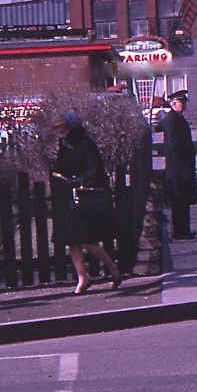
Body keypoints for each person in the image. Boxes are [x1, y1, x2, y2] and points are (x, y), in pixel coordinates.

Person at [50, 112, 123, 295]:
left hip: (84, 196)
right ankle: (82, 277)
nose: (61, 133)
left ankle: (113, 267)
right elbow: (61, 166)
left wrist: (82, 181)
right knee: (72, 240)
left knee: (86, 239)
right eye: (58, 130)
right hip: (68, 197)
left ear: (71, 128)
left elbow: (95, 168)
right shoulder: (64, 145)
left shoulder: (85, 144)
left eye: (63, 129)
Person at [161, 91, 197, 239]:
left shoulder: (178, 119)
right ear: (173, 104)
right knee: (179, 201)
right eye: (181, 103)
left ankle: (183, 230)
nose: (184, 106)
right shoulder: (171, 121)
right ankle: (179, 231)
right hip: (178, 167)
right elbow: (174, 144)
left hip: (182, 166)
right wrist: (185, 155)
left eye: (184, 103)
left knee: (183, 200)